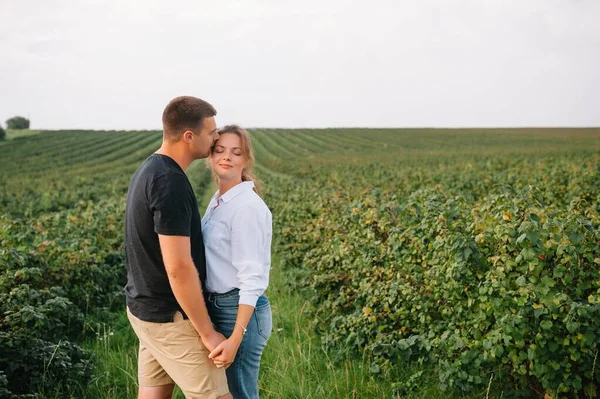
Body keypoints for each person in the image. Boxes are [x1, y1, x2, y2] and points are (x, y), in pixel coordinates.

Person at [124, 96, 232, 399]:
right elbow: (178, 267)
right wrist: (207, 332)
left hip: (145, 310)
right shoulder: (169, 182)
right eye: (211, 133)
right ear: (189, 137)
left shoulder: (150, 168)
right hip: (171, 318)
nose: (216, 138)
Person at [202, 125, 273, 399]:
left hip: (239, 311)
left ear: (246, 160)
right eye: (219, 150)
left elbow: (252, 277)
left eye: (236, 152)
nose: (226, 157)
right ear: (210, 156)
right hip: (221, 307)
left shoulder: (246, 207)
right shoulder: (219, 200)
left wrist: (236, 336)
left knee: (241, 394)